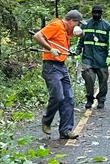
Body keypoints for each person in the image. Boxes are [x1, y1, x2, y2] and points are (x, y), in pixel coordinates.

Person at [33, 9, 84, 139]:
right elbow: (37, 36)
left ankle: (66, 130)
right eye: (77, 23)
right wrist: (50, 49)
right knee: (58, 96)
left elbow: (75, 34)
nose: (78, 26)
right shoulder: (56, 25)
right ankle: (47, 120)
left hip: (62, 66)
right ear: (71, 21)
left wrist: (80, 34)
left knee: (69, 98)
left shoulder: (66, 30)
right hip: (51, 66)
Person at [77, 5, 110, 110]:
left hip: (102, 59)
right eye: (95, 13)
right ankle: (89, 98)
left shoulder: (106, 26)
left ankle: (101, 99)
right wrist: (77, 52)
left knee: (103, 81)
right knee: (89, 79)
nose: (96, 15)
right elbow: (80, 40)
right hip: (88, 57)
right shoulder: (85, 25)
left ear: (101, 13)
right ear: (92, 13)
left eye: (98, 13)